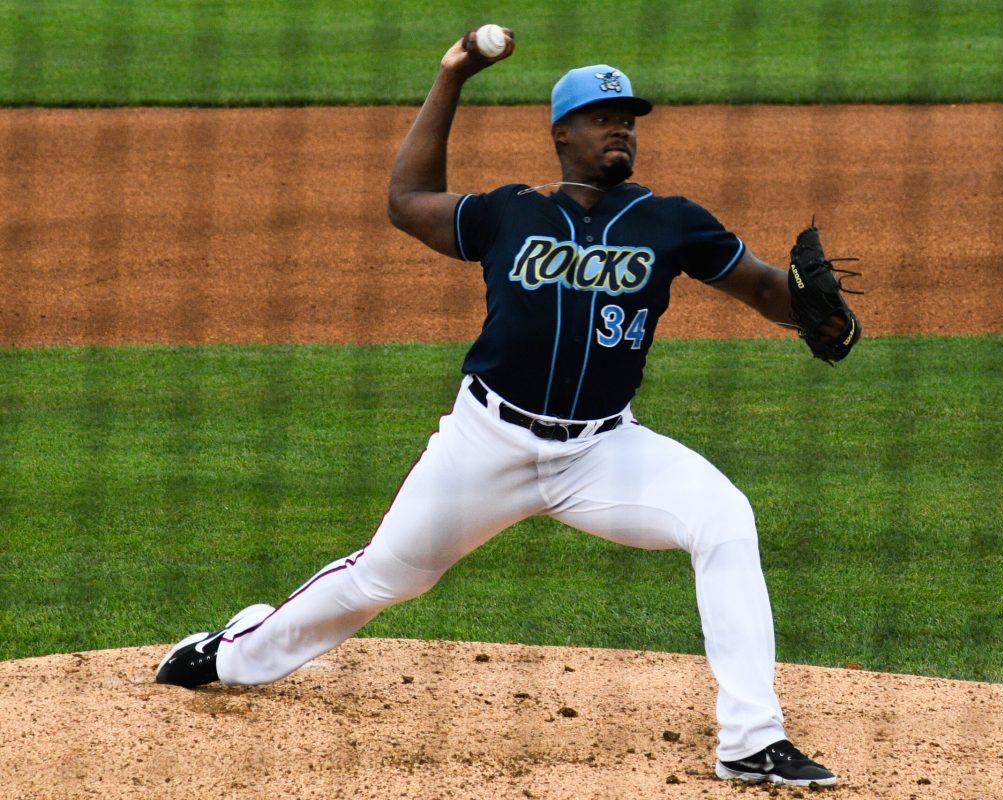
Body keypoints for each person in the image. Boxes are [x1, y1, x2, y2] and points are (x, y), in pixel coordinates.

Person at [155, 28, 852, 789]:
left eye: (629, 117)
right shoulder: (508, 212)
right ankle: (231, 653)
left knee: (725, 519)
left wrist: (812, 316)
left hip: (602, 451)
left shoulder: (672, 220)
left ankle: (752, 740)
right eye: (602, 115)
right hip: (485, 444)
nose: (621, 127)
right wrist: (453, 74)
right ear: (562, 132)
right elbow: (406, 201)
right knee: (385, 579)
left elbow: (760, 288)